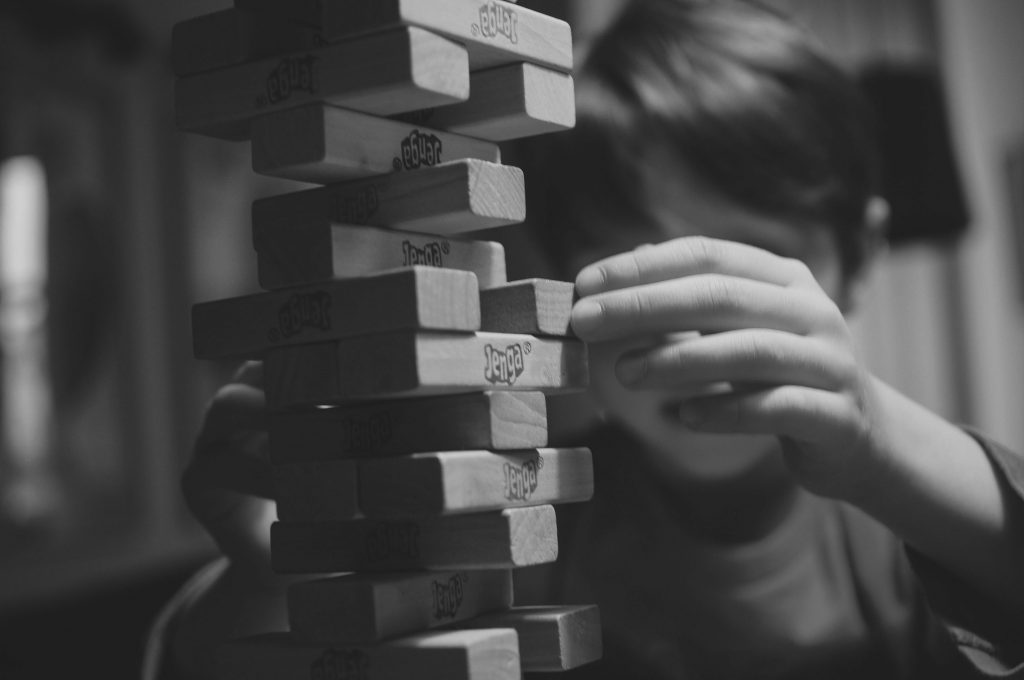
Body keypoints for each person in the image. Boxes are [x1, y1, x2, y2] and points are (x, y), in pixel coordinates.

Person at [149, 1, 1024, 678]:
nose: (688, 328)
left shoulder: (913, 516)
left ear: (860, 257)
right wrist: (280, 581)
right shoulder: (517, 515)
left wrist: (876, 436)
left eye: (743, 266)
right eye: (632, 272)